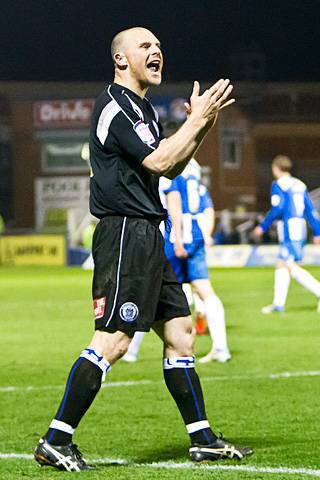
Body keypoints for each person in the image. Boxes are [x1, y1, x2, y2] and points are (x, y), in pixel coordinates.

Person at [34, 27, 252, 471]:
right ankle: (56, 438)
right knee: (113, 340)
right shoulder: (115, 107)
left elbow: (173, 165)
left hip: (151, 233)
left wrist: (203, 123)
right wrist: (195, 121)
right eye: (145, 47)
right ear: (120, 59)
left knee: (180, 334)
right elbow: (159, 161)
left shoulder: (145, 109)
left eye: (159, 47)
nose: (157, 53)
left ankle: (202, 438)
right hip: (126, 235)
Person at [163, 159, 231, 363]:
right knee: (204, 290)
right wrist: (208, 234)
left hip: (178, 237)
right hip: (197, 235)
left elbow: (173, 202)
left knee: (152, 288)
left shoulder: (174, 167)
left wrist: (178, 238)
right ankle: (221, 347)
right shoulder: (197, 176)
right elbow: (208, 209)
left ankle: (127, 351)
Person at [253, 155, 320, 314]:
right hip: (300, 226)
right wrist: (317, 231)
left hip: (289, 228)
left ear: (276, 168)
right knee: (282, 263)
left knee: (290, 265)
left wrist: (263, 226)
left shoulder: (279, 185)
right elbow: (310, 210)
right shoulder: (299, 184)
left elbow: (278, 207)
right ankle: (278, 304)